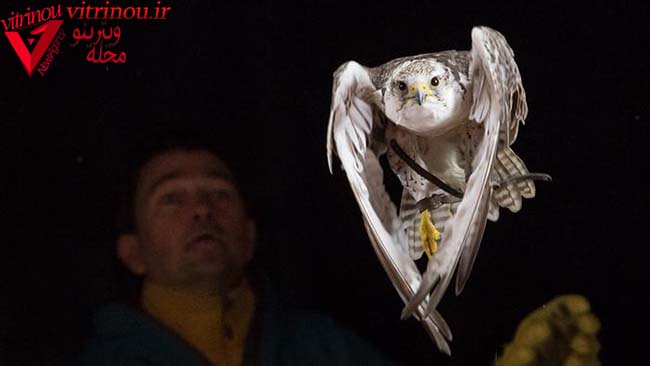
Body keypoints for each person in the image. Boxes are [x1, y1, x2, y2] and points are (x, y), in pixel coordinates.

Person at [78, 132, 394, 366]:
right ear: (133, 252)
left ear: (248, 237)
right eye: (171, 199)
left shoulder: (326, 349)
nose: (202, 209)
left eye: (220, 194)